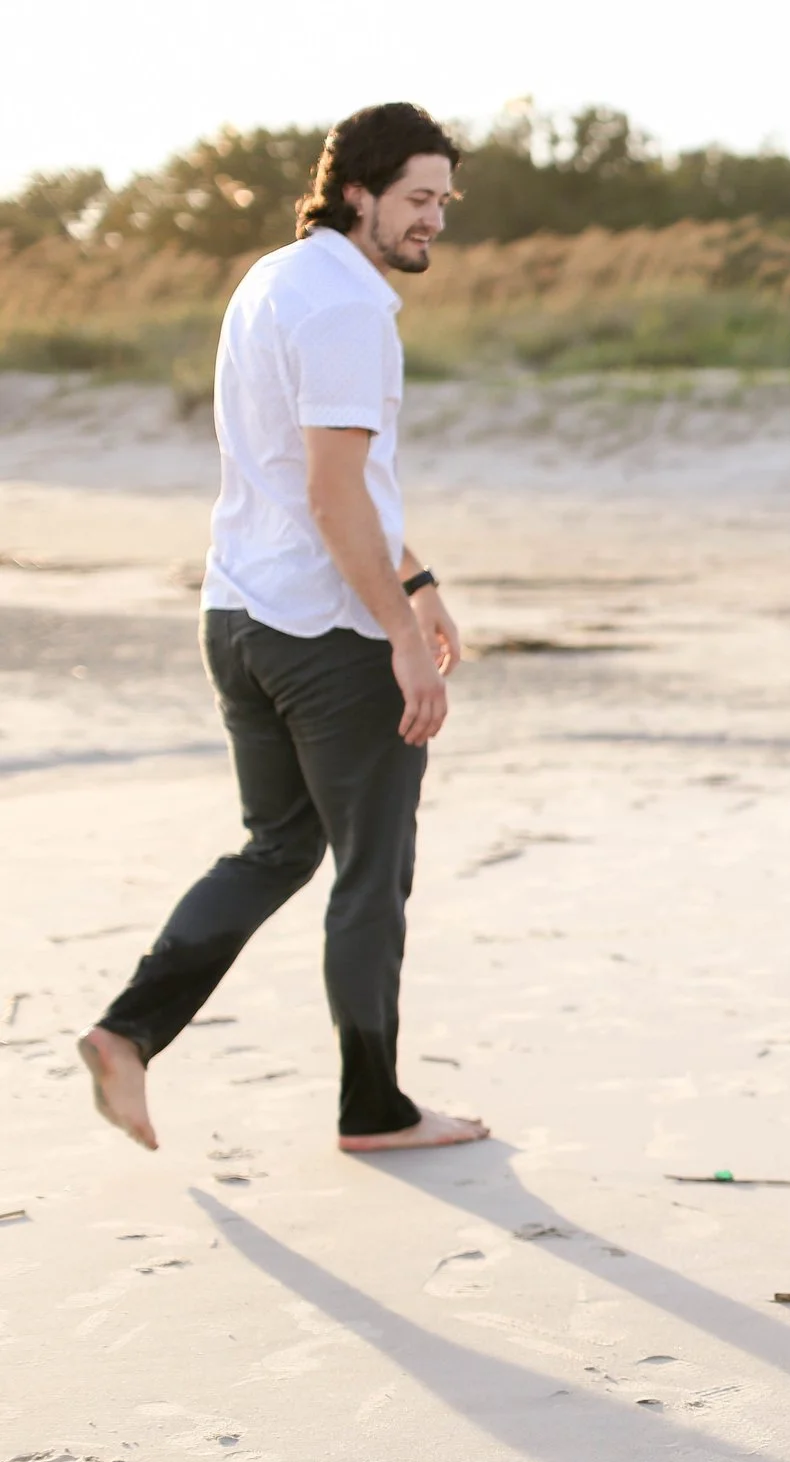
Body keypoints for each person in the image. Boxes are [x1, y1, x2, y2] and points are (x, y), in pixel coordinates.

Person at [77, 104, 486, 1155]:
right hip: (329, 639)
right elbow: (333, 493)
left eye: (443, 200)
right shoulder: (351, 311)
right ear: (357, 191)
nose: (434, 219)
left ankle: (128, 1033)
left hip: (240, 615)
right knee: (371, 867)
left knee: (277, 845)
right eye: (416, 199)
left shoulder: (271, 280)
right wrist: (397, 631)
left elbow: (306, 478)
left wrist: (418, 572)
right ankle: (374, 1106)